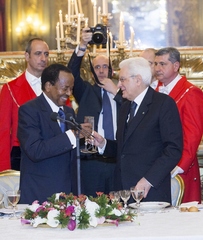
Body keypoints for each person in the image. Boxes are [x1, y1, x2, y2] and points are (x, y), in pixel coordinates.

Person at [92, 57, 183, 203]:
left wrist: (148, 180)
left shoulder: (163, 104)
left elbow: (173, 149)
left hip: (150, 192)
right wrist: (103, 144)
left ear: (138, 80)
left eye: (122, 79)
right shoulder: (126, 106)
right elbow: (124, 149)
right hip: (124, 193)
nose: (119, 84)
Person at [67, 27, 122, 197]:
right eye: (97, 67)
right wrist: (82, 45)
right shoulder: (86, 92)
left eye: (105, 66)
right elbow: (72, 74)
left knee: (119, 211)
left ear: (111, 70)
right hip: (92, 163)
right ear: (92, 72)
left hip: (117, 161)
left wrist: (116, 93)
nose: (101, 70)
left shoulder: (124, 92)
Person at [18, 64, 79, 204]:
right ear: (48, 86)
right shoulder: (29, 110)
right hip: (40, 194)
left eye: (71, 88)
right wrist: (72, 136)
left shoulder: (68, 112)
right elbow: (35, 150)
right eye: (65, 88)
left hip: (68, 194)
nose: (69, 93)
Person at [154, 47, 203, 203]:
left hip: (180, 167)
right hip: (157, 164)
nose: (157, 69)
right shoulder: (155, 90)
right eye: (155, 64)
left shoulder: (190, 92)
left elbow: (193, 133)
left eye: (162, 64)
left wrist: (180, 166)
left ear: (176, 66)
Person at [0, 38, 49, 171]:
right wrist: (4, 169)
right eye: (38, 53)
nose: (43, 58)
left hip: (51, 154)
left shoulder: (56, 87)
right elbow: (3, 131)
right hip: (21, 156)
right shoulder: (10, 89)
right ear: (27, 56)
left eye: (46, 54)